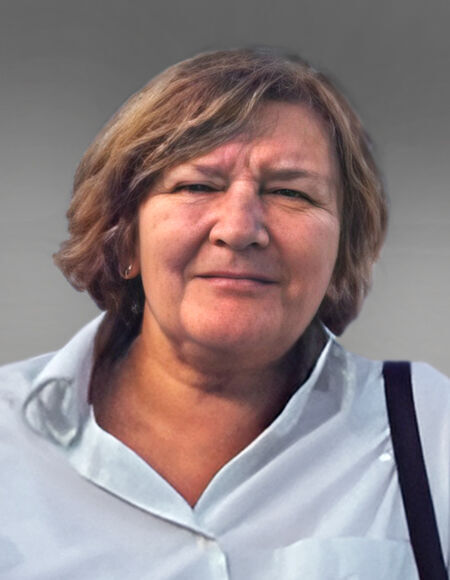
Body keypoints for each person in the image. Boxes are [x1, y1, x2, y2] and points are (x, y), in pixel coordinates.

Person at [0, 47, 448, 579]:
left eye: (290, 192)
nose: (239, 229)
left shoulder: (431, 432)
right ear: (124, 240)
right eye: (197, 185)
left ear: (341, 250)